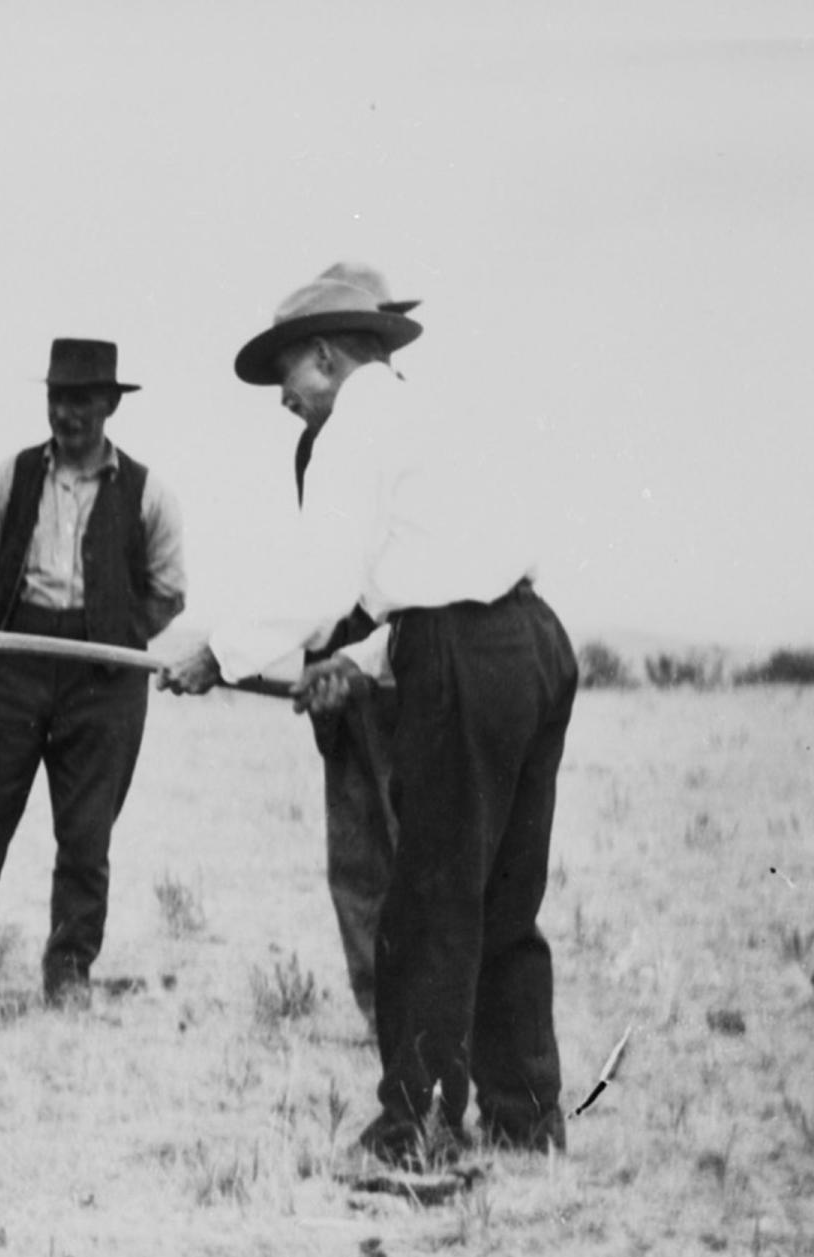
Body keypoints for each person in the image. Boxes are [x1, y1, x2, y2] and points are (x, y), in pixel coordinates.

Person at [160, 264, 577, 1167]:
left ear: (324, 355)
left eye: (289, 381)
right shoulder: (435, 413)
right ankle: (526, 1117)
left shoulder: (356, 425)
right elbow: (452, 588)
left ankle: (418, 1128)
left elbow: (323, 582)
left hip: (466, 662)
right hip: (535, 647)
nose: (285, 403)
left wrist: (217, 651)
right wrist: (358, 660)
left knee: (427, 905)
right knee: (504, 900)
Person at [0, 338, 185, 1012]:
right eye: (57, 398)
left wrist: (112, 636)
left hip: (105, 681)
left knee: (86, 835)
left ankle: (69, 972)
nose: (67, 414)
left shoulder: (149, 491)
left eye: (82, 401)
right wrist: (21, 633)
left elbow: (168, 591)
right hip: (12, 667)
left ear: (109, 406)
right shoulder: (10, 478)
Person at [288, 265, 408, 1038]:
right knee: (357, 858)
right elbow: (320, 569)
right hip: (343, 670)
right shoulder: (314, 447)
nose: (283, 394)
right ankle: (382, 1014)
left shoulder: (413, 428)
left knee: (415, 850)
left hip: (409, 668)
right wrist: (317, 660)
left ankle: (429, 1025)